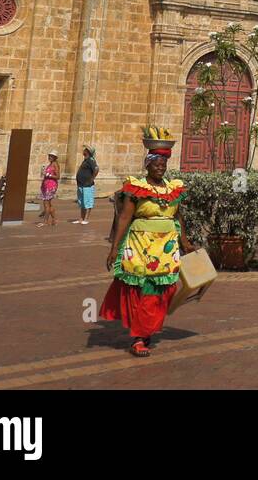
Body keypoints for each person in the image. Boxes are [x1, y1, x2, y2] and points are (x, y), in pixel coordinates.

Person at [101, 143, 193, 357]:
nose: (160, 168)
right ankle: (139, 338)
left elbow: (178, 216)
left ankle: (146, 328)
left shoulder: (173, 188)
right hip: (141, 245)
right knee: (142, 290)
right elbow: (124, 217)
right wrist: (114, 247)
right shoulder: (137, 188)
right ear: (148, 165)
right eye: (156, 164)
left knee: (164, 290)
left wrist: (185, 242)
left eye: (163, 164)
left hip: (166, 248)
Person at [75, 146, 99, 224]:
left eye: (85, 150)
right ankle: (81, 218)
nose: (83, 150)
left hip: (87, 185)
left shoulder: (91, 160)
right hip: (81, 185)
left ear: (88, 151)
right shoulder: (85, 160)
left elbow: (96, 169)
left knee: (88, 202)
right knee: (82, 202)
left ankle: (86, 219)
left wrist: (91, 179)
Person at [36, 152, 59, 227]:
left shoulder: (55, 164)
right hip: (46, 185)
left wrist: (49, 175)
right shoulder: (50, 164)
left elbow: (58, 176)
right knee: (49, 204)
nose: (50, 157)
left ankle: (45, 221)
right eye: (49, 156)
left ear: (55, 157)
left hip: (50, 186)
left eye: (51, 156)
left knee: (46, 204)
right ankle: (54, 220)